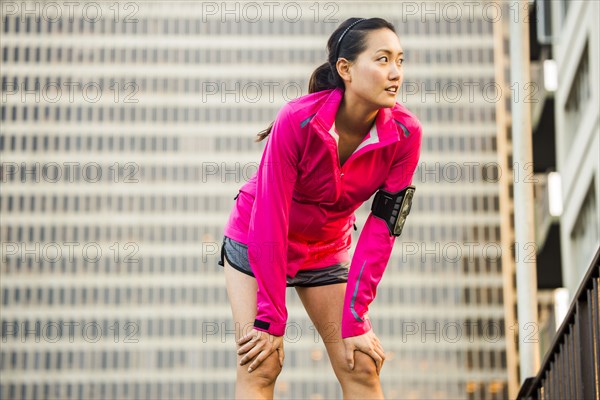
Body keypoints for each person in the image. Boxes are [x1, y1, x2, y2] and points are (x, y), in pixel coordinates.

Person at [218, 17, 423, 399]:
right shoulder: (297, 120)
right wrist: (270, 317)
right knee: (262, 360)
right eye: (382, 60)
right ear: (345, 69)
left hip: (326, 248)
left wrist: (355, 317)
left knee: (359, 361)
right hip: (256, 239)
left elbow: (383, 228)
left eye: (400, 60)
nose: (395, 73)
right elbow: (269, 216)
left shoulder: (406, 134)